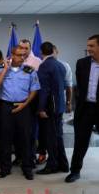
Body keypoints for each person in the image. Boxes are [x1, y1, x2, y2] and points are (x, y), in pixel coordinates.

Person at [0, 46, 40, 180]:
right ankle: (5, 168)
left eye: (24, 55)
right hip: (6, 107)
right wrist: (5, 70)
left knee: (25, 138)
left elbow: (34, 89)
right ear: (11, 55)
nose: (22, 58)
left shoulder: (29, 70)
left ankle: (27, 168)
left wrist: (24, 104)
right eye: (19, 55)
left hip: (23, 106)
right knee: (5, 139)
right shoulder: (2, 69)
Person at [65, 35, 99, 183]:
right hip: (85, 109)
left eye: (92, 46)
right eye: (88, 46)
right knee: (80, 142)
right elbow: (80, 87)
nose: (88, 49)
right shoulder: (82, 63)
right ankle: (75, 171)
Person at [36, 42, 69, 175]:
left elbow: (44, 90)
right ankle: (64, 164)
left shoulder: (44, 66)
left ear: (41, 52)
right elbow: (64, 86)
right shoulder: (61, 65)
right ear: (52, 50)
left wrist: (41, 108)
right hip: (59, 106)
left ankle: (52, 165)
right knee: (58, 137)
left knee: (50, 137)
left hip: (50, 107)